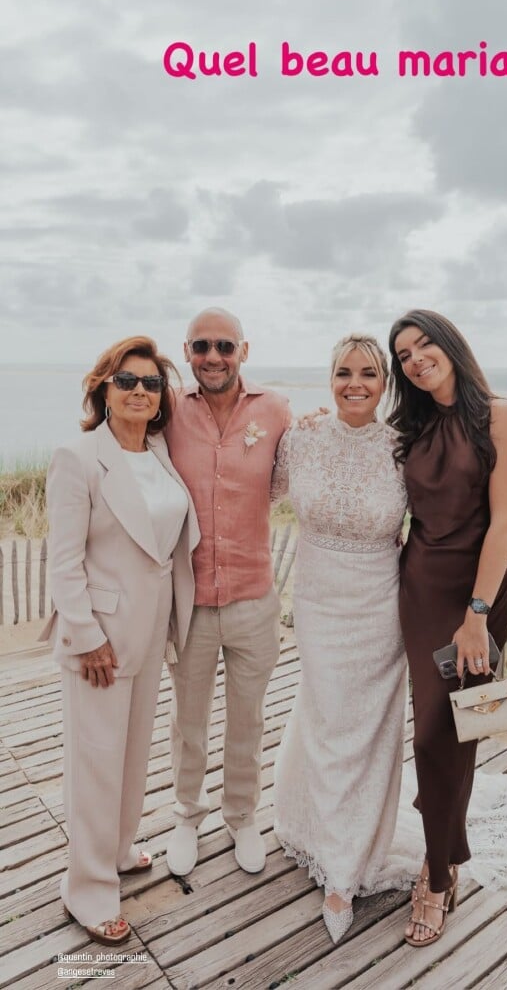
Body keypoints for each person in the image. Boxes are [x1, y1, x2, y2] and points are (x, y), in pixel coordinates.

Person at [42, 336, 200, 946]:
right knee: (95, 765)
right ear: (104, 388)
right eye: (126, 381)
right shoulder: (77, 457)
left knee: (132, 756)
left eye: (151, 383)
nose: (139, 391)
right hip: (100, 640)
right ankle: (86, 888)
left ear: (163, 397)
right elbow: (64, 561)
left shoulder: (160, 452)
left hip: (150, 629)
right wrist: (86, 637)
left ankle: (117, 849)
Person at [387, 309, 507, 946]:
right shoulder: (409, 427)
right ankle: (444, 846)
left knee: (457, 729)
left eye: (424, 345)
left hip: (479, 595)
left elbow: (503, 523)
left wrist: (477, 614)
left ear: (449, 345)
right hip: (420, 587)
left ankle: (438, 876)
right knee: (430, 732)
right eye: (404, 355)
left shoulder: (500, 414)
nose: (416, 359)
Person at [271, 333, 409, 943]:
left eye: (369, 373)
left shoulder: (406, 447)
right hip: (319, 599)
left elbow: (450, 514)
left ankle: (347, 868)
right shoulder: (300, 437)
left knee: (368, 726)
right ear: (329, 378)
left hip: (382, 604)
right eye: (344, 372)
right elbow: (255, 491)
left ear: (385, 383)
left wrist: (505, 540)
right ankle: (320, 832)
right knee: (327, 718)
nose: (356, 383)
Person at [164, 307, 292, 877]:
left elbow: (307, 470)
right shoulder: (166, 410)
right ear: (187, 351)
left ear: (244, 349)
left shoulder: (277, 410)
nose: (212, 357)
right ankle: (187, 814)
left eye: (223, 345)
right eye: (201, 346)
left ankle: (241, 816)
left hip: (252, 598)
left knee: (249, 718)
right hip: (188, 603)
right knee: (188, 720)